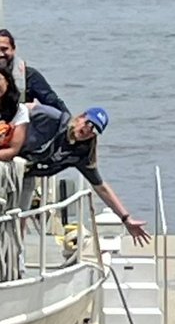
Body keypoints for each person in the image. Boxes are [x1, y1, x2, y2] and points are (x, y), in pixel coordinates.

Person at [22, 105, 150, 245]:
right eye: (88, 123)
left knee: (19, 219)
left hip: (26, 177)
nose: (87, 130)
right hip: (6, 162)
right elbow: (24, 108)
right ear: (81, 117)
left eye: (93, 129)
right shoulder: (55, 119)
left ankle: (15, 261)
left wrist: (126, 219)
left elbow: (101, 187)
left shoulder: (80, 154)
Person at [0, 29, 68, 113]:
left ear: (13, 49)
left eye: (4, 49)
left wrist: (71, 123)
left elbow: (54, 103)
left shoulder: (30, 76)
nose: (0, 54)